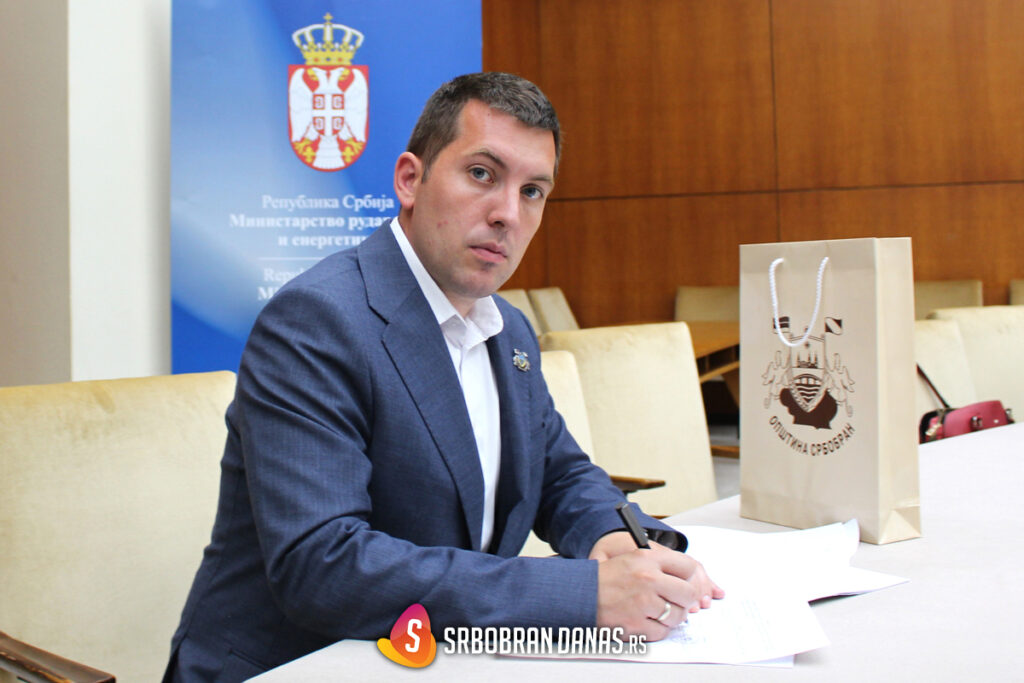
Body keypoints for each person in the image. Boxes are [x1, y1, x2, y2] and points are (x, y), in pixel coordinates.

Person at [164, 72, 722, 681]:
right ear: (410, 179)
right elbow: (323, 567)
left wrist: (614, 538)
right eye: (482, 174)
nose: (508, 214)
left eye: (533, 191)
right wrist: (580, 596)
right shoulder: (317, 321)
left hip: (441, 660)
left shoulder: (508, 329)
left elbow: (558, 473)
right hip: (301, 666)